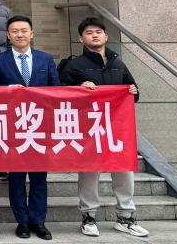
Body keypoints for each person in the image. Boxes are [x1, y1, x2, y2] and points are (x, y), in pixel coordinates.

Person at [59, 17, 148, 238]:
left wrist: (133, 91)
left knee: (124, 170)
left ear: (106, 36)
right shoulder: (74, 65)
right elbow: (60, 93)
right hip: (88, 128)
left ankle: (126, 217)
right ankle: (89, 216)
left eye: (98, 32)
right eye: (89, 32)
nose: (95, 35)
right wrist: (79, 87)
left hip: (116, 128)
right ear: (81, 39)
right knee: (89, 173)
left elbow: (133, 90)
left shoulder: (118, 63)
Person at [0, 15, 59, 241]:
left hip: (40, 127)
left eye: (23, 30)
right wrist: (7, 90)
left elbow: (56, 91)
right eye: (15, 31)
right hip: (12, 127)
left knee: (39, 177)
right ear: (8, 36)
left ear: (32, 34)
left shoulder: (45, 59)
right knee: (17, 177)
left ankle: (38, 221)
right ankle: (21, 220)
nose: (19, 35)